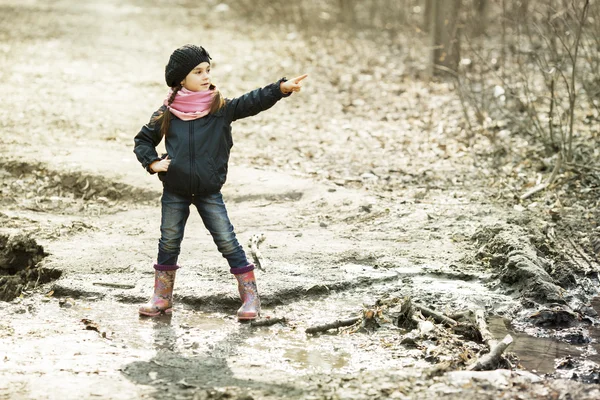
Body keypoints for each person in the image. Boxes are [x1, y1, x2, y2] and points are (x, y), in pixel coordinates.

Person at [134, 44, 307, 320]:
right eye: (198, 72)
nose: (205, 76)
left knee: (227, 241)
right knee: (168, 241)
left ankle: (250, 297)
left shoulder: (219, 108)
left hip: (208, 191)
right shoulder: (167, 111)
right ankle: (162, 297)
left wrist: (280, 89)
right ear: (181, 79)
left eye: (207, 70)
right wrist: (152, 162)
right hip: (175, 190)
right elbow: (143, 140)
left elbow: (251, 102)